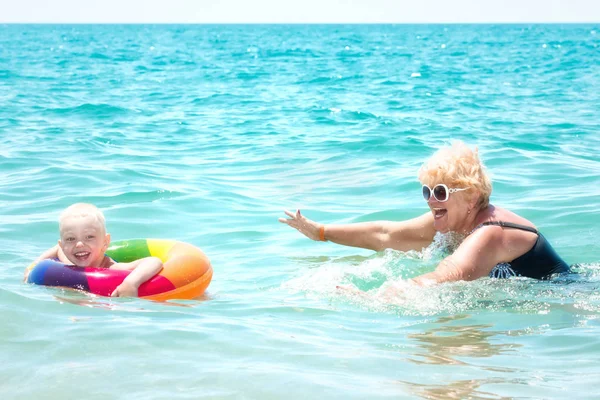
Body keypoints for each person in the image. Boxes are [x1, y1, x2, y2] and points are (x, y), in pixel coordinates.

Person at [279, 141, 570, 286]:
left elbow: (449, 274)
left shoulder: (491, 232)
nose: (431, 201)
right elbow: (385, 235)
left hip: (567, 295)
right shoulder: (449, 221)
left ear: (471, 197)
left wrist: (380, 295)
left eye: (441, 192)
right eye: (427, 191)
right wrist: (320, 232)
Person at [31, 203, 163, 297]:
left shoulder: (112, 268)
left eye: (89, 237)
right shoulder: (68, 263)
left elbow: (154, 261)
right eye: (71, 239)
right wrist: (34, 266)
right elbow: (57, 250)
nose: (79, 244)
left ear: (105, 242)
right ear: (62, 244)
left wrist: (131, 283)